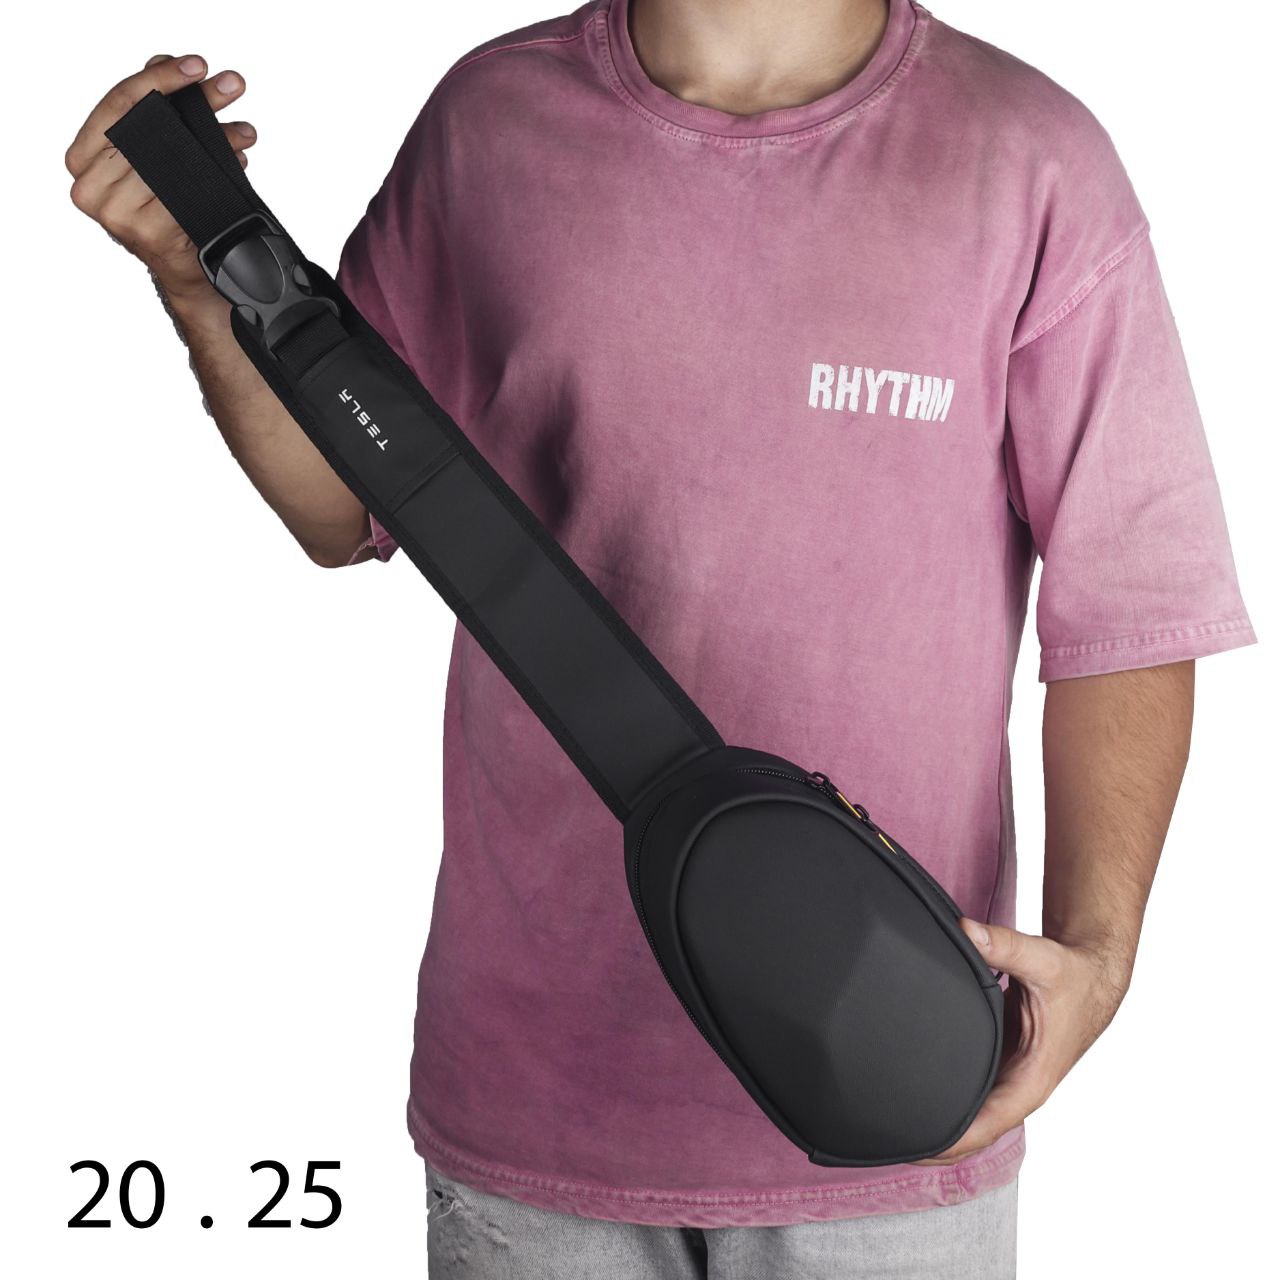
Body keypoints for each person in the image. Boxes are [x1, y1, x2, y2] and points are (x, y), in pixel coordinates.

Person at [66, 1, 1254, 1275]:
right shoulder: (491, 124)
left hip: (896, 1084)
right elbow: (347, 501)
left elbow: (1128, 607)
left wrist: (1095, 954)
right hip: (537, 1093)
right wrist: (197, 281)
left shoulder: (1030, 160)